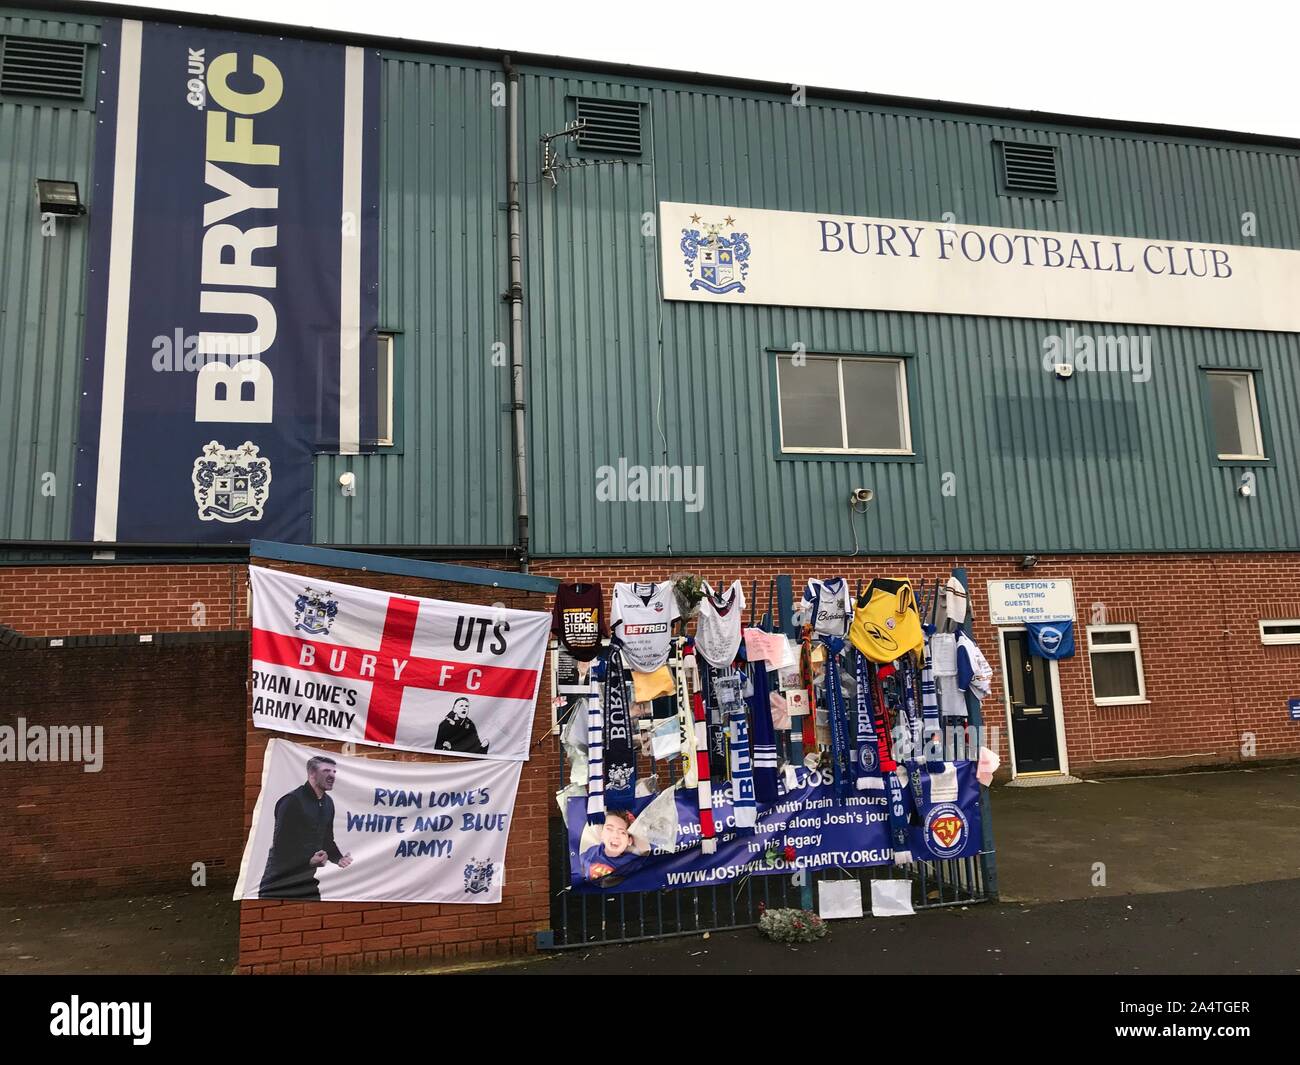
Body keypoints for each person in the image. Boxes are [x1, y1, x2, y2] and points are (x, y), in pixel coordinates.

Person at [258, 755, 353, 900]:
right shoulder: (291, 801)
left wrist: (338, 858)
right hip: (279, 882)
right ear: (312, 773)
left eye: (334, 772)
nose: (332, 776)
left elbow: (327, 839)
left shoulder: (328, 803)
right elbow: (281, 846)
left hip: (306, 879)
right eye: (326, 771)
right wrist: (308, 861)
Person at [579, 810, 647, 881]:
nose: (615, 835)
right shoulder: (592, 851)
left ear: (629, 841)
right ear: (602, 834)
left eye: (622, 832)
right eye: (609, 829)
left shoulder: (633, 862)